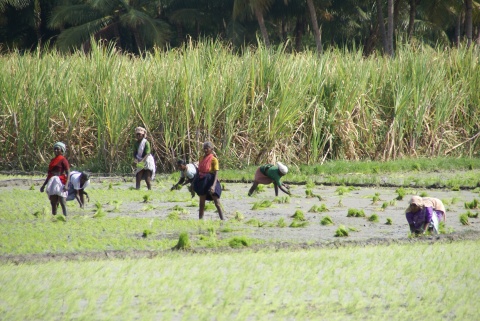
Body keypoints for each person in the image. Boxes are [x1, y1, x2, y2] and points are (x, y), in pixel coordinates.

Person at [192, 141, 224, 220]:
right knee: (201, 203)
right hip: (202, 180)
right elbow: (199, 171)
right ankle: (200, 220)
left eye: (207, 148)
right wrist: (193, 183)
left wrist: (213, 186)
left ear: (212, 149)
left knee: (217, 203)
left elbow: (216, 173)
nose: (205, 150)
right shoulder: (201, 158)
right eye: (204, 148)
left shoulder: (214, 160)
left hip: (211, 180)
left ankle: (222, 219)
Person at [40, 142, 70, 216]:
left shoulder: (63, 160)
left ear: (62, 150)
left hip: (60, 181)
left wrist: (66, 185)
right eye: (55, 149)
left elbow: (68, 173)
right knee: (53, 202)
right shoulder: (52, 160)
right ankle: (54, 217)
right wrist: (44, 185)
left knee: (62, 201)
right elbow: (49, 174)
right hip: (52, 181)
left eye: (58, 149)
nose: (56, 150)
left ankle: (65, 218)